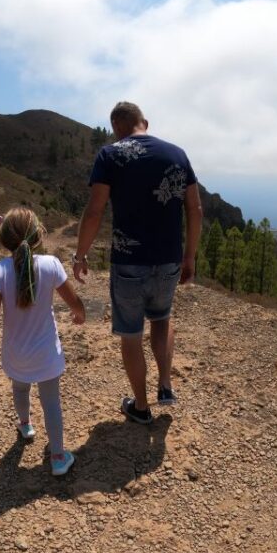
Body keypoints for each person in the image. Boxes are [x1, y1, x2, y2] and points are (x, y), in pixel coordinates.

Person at [73, 102, 203, 424]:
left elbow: (94, 211)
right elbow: (195, 209)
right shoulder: (178, 154)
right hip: (169, 259)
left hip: (129, 262)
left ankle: (141, 408)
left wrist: (80, 254)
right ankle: (165, 384)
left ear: (117, 126)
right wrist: (189, 256)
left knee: (131, 335)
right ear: (145, 122)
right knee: (162, 319)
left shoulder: (109, 155)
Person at [0, 207, 86, 476]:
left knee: (20, 389)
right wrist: (80, 314)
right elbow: (73, 301)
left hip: (16, 354)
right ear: (38, 236)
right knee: (51, 402)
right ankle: (58, 457)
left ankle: (25, 425)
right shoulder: (51, 264)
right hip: (46, 354)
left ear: (5, 239)